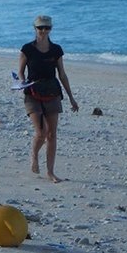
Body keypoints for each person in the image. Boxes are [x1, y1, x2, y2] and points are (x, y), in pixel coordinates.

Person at [18, 14, 79, 182]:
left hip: (52, 91)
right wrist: (23, 82)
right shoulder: (27, 49)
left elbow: (62, 74)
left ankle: (50, 172)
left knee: (52, 134)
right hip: (32, 93)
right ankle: (34, 156)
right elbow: (21, 72)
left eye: (47, 28)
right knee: (41, 132)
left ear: (51, 29)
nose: (44, 31)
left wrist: (71, 98)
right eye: (40, 28)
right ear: (35, 28)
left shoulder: (56, 50)